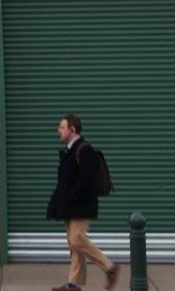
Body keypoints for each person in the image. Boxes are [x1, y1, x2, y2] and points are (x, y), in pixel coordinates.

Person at [46, 113, 120, 291]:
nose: (59, 131)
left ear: (73, 129)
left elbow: (87, 179)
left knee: (77, 239)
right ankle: (74, 284)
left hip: (81, 205)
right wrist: (56, 202)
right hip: (69, 205)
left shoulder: (84, 150)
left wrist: (72, 197)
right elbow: (64, 181)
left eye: (62, 127)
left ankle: (109, 267)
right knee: (74, 245)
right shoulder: (68, 151)